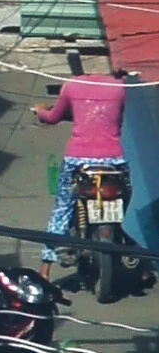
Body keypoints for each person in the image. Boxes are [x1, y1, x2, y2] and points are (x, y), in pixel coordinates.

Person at [37, 49, 131, 240]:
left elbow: (53, 117)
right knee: (126, 195)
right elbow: (116, 119)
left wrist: (40, 112)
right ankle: (126, 238)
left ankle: (46, 263)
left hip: (77, 159)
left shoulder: (72, 86)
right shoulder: (120, 87)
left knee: (62, 207)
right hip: (113, 159)